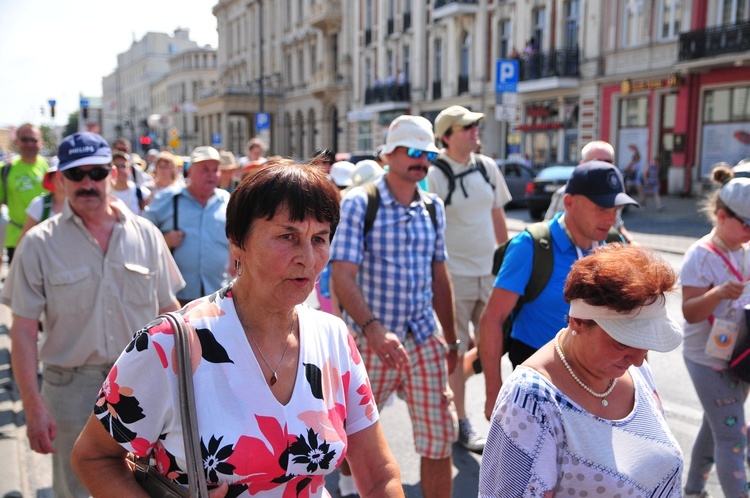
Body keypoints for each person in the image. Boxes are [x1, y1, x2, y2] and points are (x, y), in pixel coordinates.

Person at [71, 160, 404, 498]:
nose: (308, 257)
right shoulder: (167, 345)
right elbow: (94, 457)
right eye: (287, 236)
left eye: (319, 238)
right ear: (236, 242)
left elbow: (379, 474)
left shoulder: (334, 338)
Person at [1, 131, 184, 498]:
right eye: (77, 174)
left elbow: (170, 314)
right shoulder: (39, 243)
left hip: (141, 385)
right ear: (60, 180)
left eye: (97, 173)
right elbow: (21, 331)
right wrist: (34, 408)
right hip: (70, 390)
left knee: (141, 485)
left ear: (112, 176)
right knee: (74, 490)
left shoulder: (146, 234)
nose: (88, 183)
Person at [479, 243, 684, 497]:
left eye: (646, 344)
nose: (639, 360)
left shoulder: (632, 370)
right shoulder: (531, 401)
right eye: (622, 342)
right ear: (578, 321)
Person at [331, 115, 458, 498]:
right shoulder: (360, 202)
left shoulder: (433, 207)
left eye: (428, 154)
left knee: (439, 442)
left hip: (422, 338)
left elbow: (440, 277)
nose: (422, 160)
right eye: (414, 152)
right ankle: (350, 488)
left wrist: (451, 341)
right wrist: (373, 328)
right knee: (352, 440)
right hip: (371, 342)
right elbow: (342, 276)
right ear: (389, 156)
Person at [479, 160, 638, 419]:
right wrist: (493, 392)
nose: (611, 218)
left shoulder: (613, 244)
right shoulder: (531, 245)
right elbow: (491, 319)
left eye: (616, 209)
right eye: (601, 208)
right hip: (540, 381)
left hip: (597, 379)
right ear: (570, 203)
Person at [429, 105, 511, 453]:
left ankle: (447, 386)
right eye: (467, 127)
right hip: (454, 277)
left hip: (489, 274)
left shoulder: (488, 167)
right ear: (447, 136)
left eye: (476, 125)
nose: (476, 130)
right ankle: (460, 422)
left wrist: (508, 263)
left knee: (498, 343)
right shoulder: (435, 174)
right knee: (458, 346)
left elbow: (498, 217)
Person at [681, 166, 750, 497]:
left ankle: (693, 489)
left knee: (717, 425)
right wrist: (719, 293)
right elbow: (690, 312)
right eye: (747, 224)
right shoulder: (699, 254)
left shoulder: (744, 251)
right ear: (722, 216)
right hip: (705, 357)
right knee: (733, 434)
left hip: (738, 354)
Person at [144, 145, 231, 306]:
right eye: (204, 169)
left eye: (215, 170)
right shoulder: (169, 199)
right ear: (190, 170)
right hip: (176, 298)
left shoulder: (227, 202)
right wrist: (165, 240)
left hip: (218, 297)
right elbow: (140, 235)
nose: (211, 175)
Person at [545, 140, 636, 243]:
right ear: (582, 163)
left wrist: (632, 242)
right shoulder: (567, 194)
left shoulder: (615, 194)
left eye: (607, 162)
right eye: (595, 161)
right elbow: (549, 230)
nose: (601, 166)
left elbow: (617, 225)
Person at [1, 123, 48, 263]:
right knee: (18, 284)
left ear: (41, 142)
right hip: (16, 239)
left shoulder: (49, 168)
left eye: (33, 140)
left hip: (46, 238)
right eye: (24, 139)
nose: (29, 144)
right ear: (16, 141)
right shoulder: (6, 170)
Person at [19, 156, 66, 240]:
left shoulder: (83, 203)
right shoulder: (39, 204)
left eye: (64, 174)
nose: (60, 178)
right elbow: (24, 241)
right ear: (50, 179)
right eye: (56, 175)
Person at [110, 151, 150, 215]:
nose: (120, 170)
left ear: (130, 170)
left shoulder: (142, 193)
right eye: (116, 166)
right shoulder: (104, 193)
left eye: (123, 166)